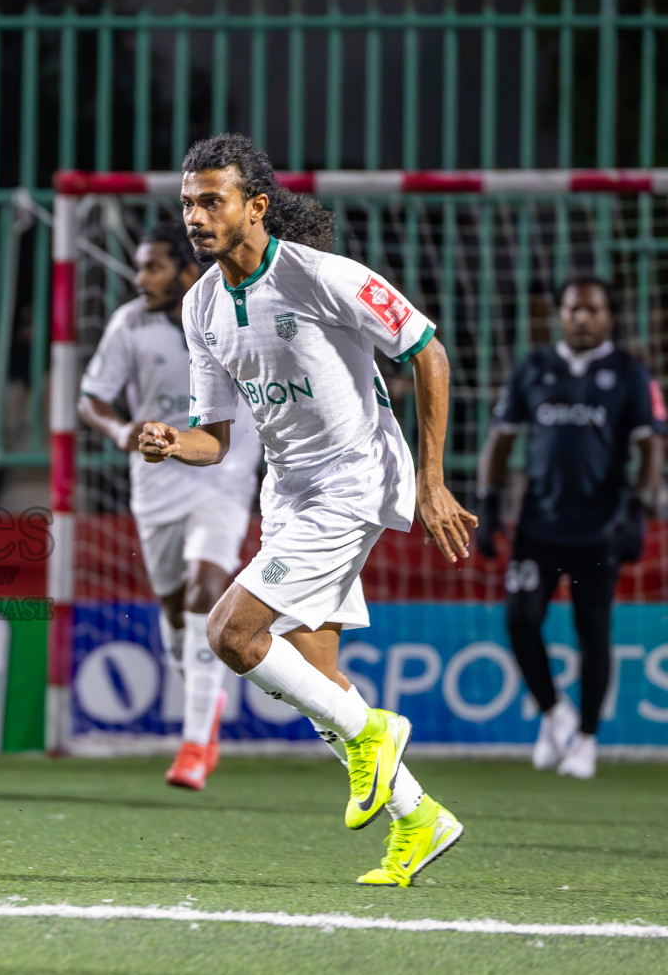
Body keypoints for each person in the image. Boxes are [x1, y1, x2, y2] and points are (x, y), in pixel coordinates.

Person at [138, 134, 476, 888]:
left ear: (255, 207)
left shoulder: (323, 277)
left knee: (230, 632)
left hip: (356, 477)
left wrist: (432, 480)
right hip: (287, 489)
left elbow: (426, 349)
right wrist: (171, 441)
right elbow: (215, 439)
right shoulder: (200, 308)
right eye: (187, 202)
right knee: (313, 671)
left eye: (211, 201)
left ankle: (375, 733)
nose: (194, 216)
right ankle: (419, 817)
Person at [79, 223, 263, 791]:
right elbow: (92, 399)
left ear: (186, 270)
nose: (140, 279)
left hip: (223, 474)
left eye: (153, 266)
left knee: (207, 591)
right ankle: (202, 716)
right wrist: (116, 431)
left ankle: (193, 743)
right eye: (138, 266)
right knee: (175, 610)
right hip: (156, 483)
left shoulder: (235, 311)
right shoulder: (128, 323)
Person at [476, 278, 665, 779]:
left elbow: (651, 448)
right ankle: (553, 712)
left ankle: (585, 739)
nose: (581, 317)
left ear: (609, 316)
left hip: (600, 530)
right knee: (520, 619)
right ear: (560, 314)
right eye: (572, 309)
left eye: (591, 309)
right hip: (538, 526)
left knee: (593, 632)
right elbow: (500, 441)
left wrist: (637, 510)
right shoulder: (534, 368)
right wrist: (488, 504)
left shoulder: (629, 373)